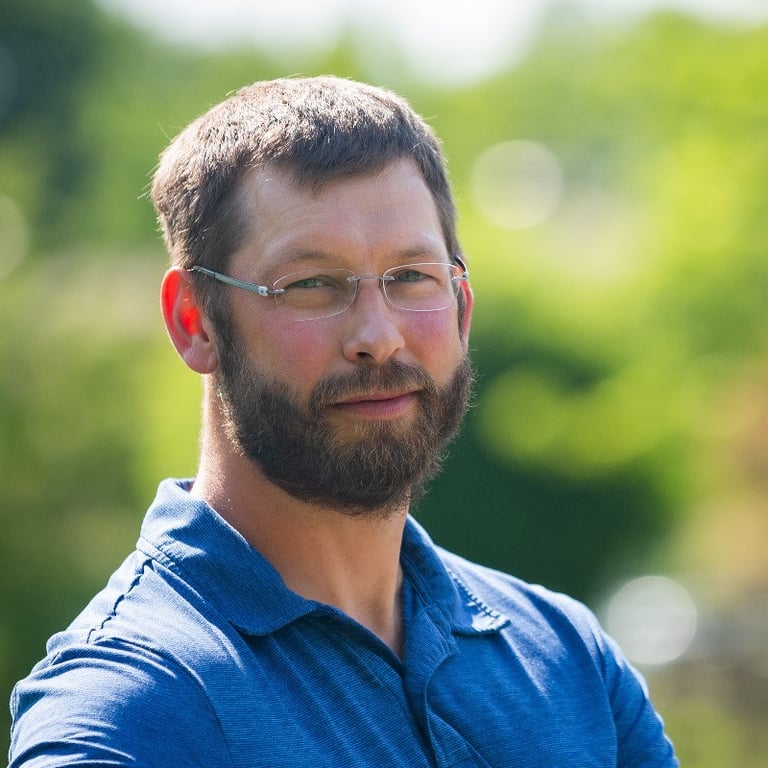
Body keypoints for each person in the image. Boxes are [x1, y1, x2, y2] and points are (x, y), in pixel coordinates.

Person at [8, 75, 678, 767]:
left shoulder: (571, 664)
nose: (378, 337)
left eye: (411, 276)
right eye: (310, 284)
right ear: (194, 322)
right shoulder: (129, 706)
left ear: (462, 307)